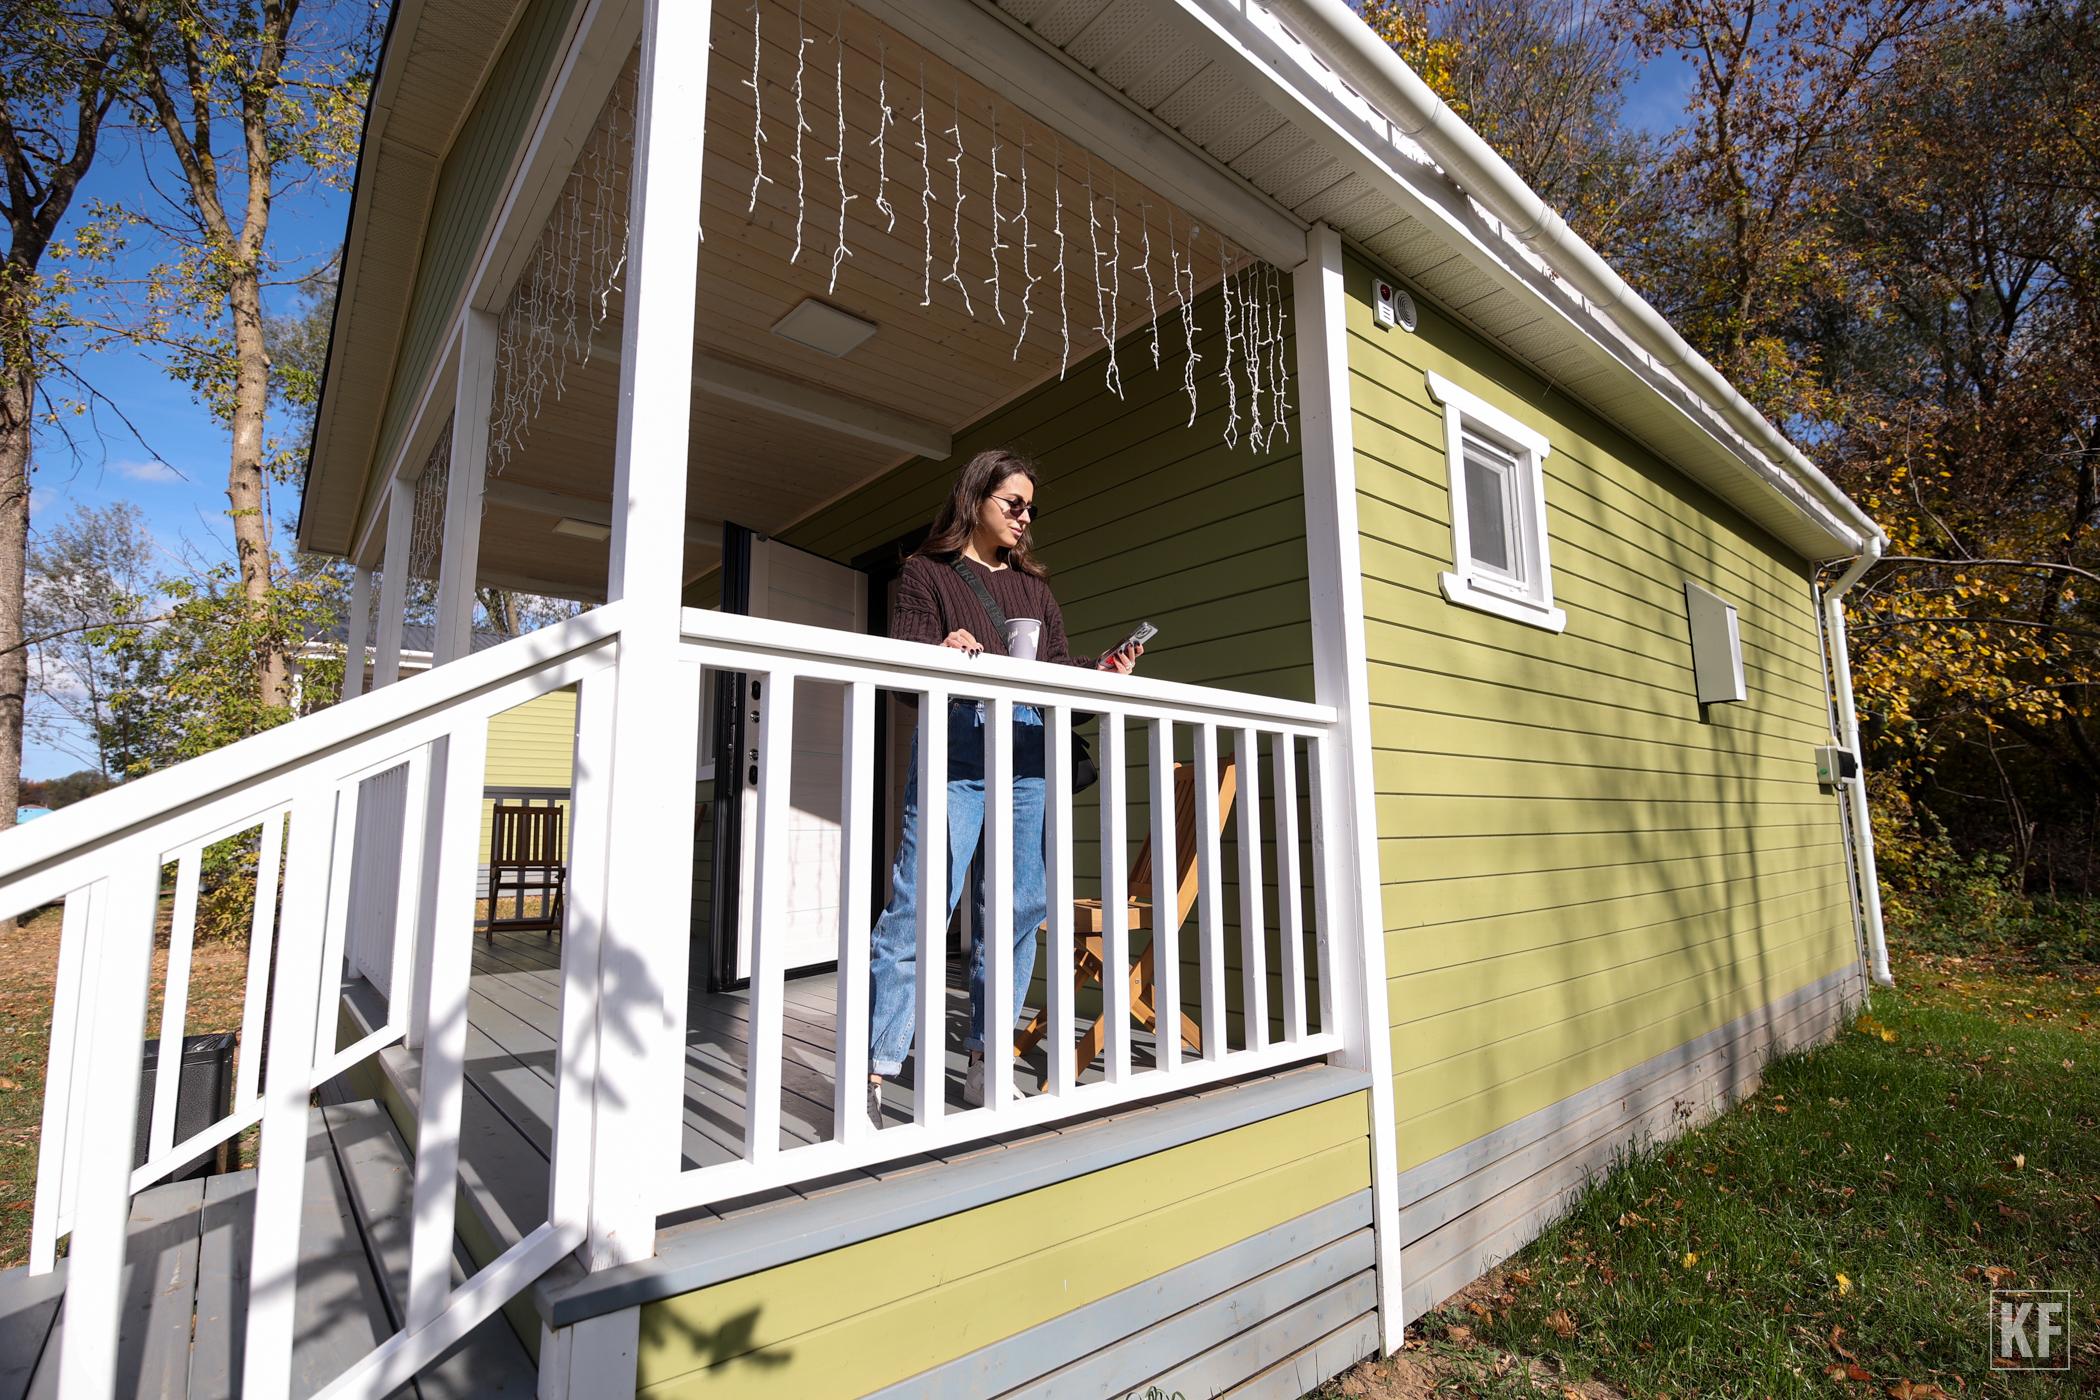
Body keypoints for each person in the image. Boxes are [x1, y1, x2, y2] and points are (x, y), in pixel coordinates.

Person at [866, 448, 1143, 1128]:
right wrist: (940, 653)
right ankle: (875, 1067)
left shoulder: (1033, 590)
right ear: (974, 500)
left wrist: (1101, 673)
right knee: (921, 901)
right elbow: (903, 674)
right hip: (957, 740)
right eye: (1013, 504)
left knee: (1019, 907)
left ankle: (987, 1062)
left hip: (1026, 747)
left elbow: (1056, 676)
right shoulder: (926, 573)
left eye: (1030, 508)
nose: (1024, 518)